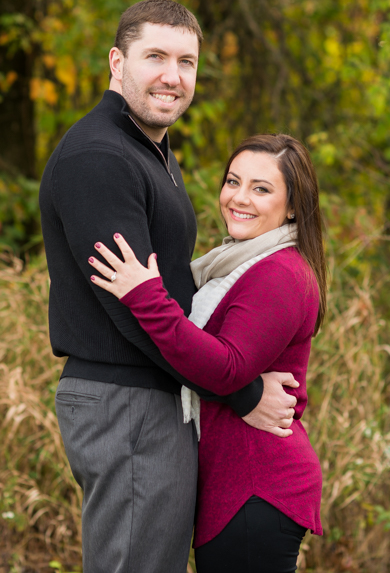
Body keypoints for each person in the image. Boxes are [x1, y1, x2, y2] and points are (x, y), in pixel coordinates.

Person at [38, 0, 300, 573]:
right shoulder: (99, 157)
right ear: (116, 62)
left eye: (186, 61)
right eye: (155, 56)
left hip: (152, 400)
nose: (172, 76)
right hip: (126, 402)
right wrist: (241, 392)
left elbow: (166, 289)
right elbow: (130, 310)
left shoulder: (148, 149)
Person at [89, 134, 326, 573]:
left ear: (293, 207)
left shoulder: (280, 273)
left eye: (261, 188)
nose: (240, 198)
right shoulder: (238, 262)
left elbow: (225, 366)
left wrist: (146, 297)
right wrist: (251, 392)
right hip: (237, 481)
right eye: (233, 182)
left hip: (257, 483)